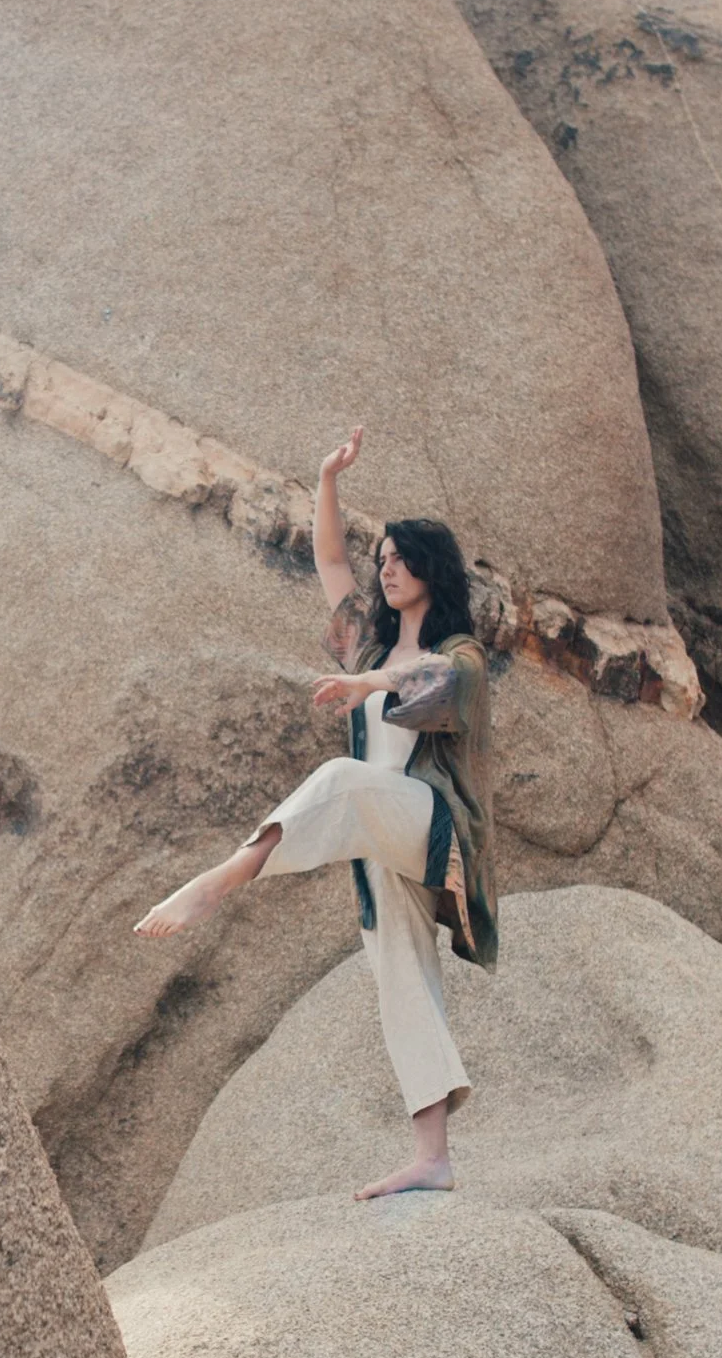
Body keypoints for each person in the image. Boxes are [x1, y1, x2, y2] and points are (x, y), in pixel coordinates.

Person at [135, 426, 496, 1197]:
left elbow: (445, 685)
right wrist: (326, 478)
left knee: (338, 775)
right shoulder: (368, 643)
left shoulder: (458, 651)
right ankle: (432, 1155)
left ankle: (229, 874)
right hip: (375, 836)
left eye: (401, 558)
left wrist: (372, 690)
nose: (387, 568)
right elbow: (330, 560)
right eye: (385, 560)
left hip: (429, 826)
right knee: (402, 977)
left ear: (431, 568)